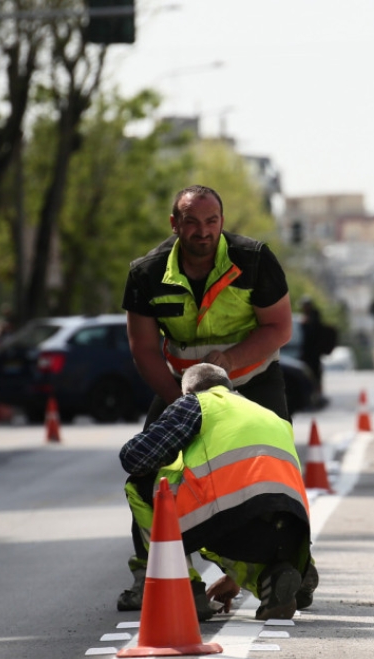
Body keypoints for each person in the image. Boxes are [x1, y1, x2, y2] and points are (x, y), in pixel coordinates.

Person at [118, 185, 296, 611]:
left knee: (266, 472)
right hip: (183, 388)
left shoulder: (253, 260)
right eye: (192, 222)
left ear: (222, 221)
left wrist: (231, 360)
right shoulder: (147, 272)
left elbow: (279, 328)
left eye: (211, 221)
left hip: (252, 382)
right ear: (174, 224)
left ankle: (287, 569)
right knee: (153, 474)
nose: (203, 231)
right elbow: (143, 347)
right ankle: (158, 576)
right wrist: (179, 402)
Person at [119, 363, 318, 621]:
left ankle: (184, 589)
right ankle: (275, 577)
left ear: (189, 391)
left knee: (140, 485)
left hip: (230, 518)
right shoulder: (271, 416)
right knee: (229, 514)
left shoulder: (196, 403)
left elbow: (135, 458)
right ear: (229, 387)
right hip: (291, 530)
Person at [297, 295, 336, 397]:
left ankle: (315, 394)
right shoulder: (309, 318)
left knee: (313, 375)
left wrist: (305, 324)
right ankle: (313, 394)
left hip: (312, 353)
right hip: (310, 353)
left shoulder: (312, 319)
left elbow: (311, 334)